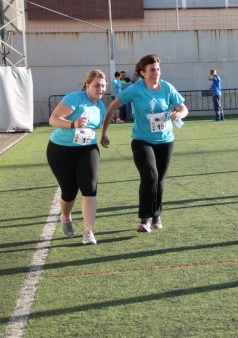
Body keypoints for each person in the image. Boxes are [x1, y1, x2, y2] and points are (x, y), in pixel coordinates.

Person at [101, 54, 188, 233]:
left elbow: (183, 108)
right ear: (143, 72)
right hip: (142, 140)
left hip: (165, 140)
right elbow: (112, 107)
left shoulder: (167, 87)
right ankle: (145, 218)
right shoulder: (135, 89)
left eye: (157, 69)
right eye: (152, 70)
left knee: (159, 180)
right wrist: (104, 132)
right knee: (150, 176)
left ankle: (157, 214)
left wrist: (179, 114)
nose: (156, 73)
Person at [46, 70, 107, 245]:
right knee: (69, 191)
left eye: (103, 86)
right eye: (96, 85)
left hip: (87, 149)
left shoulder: (100, 106)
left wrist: (104, 136)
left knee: (89, 187)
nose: (100, 89)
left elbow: (94, 127)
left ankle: (88, 232)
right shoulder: (75, 98)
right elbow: (53, 119)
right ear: (87, 85)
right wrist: (73, 124)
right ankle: (65, 216)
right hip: (61, 150)